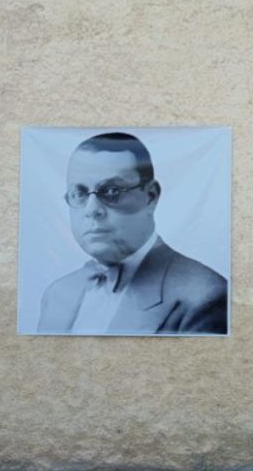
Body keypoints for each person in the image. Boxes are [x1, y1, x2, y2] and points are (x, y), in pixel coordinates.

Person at [37, 132, 228, 335]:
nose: (91, 209)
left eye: (111, 191)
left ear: (150, 197)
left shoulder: (203, 296)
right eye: (79, 193)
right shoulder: (57, 293)